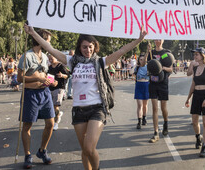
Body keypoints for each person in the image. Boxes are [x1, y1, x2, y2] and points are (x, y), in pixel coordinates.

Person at [24, 24, 147, 170]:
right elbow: (50, 48)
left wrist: (139, 40)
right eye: (84, 47)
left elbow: (121, 51)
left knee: (89, 148)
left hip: (97, 109)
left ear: (95, 47)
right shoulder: (72, 61)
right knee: (84, 151)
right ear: (79, 48)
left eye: (90, 46)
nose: (88, 50)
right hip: (79, 110)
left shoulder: (101, 61)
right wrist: (32, 33)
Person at [17, 29, 56, 169]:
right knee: (27, 126)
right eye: (48, 41)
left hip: (45, 93)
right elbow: (19, 78)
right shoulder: (26, 56)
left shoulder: (45, 57)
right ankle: (27, 155)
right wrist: (36, 77)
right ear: (41, 40)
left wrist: (51, 81)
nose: (49, 44)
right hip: (30, 94)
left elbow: (45, 75)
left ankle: (42, 151)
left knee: (50, 124)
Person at [185, 47, 205, 157]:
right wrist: (188, 98)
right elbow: (193, 84)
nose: (194, 56)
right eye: (194, 54)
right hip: (196, 95)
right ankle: (198, 136)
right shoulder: (196, 68)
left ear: (203, 55)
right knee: (194, 120)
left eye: (196, 54)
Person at [147, 39, 173, 143]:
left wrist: (162, 68)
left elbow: (171, 69)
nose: (157, 40)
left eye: (159, 38)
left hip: (163, 82)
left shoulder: (166, 53)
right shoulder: (151, 52)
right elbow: (144, 64)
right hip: (153, 82)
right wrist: (147, 53)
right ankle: (156, 132)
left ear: (162, 40)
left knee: (163, 107)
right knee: (154, 108)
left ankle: (166, 122)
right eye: (156, 39)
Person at [48, 54, 70, 131]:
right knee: (51, 106)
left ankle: (56, 123)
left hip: (59, 88)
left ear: (56, 57)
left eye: (51, 58)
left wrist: (62, 75)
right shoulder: (49, 67)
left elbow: (68, 75)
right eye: (49, 58)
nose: (50, 60)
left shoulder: (61, 66)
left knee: (55, 106)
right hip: (50, 87)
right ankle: (58, 114)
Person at [134, 53, 149, 129]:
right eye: (140, 59)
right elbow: (133, 75)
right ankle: (139, 121)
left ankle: (144, 118)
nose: (142, 61)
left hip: (146, 85)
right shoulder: (137, 68)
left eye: (143, 59)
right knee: (139, 105)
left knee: (145, 105)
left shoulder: (148, 67)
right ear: (138, 60)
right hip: (139, 86)